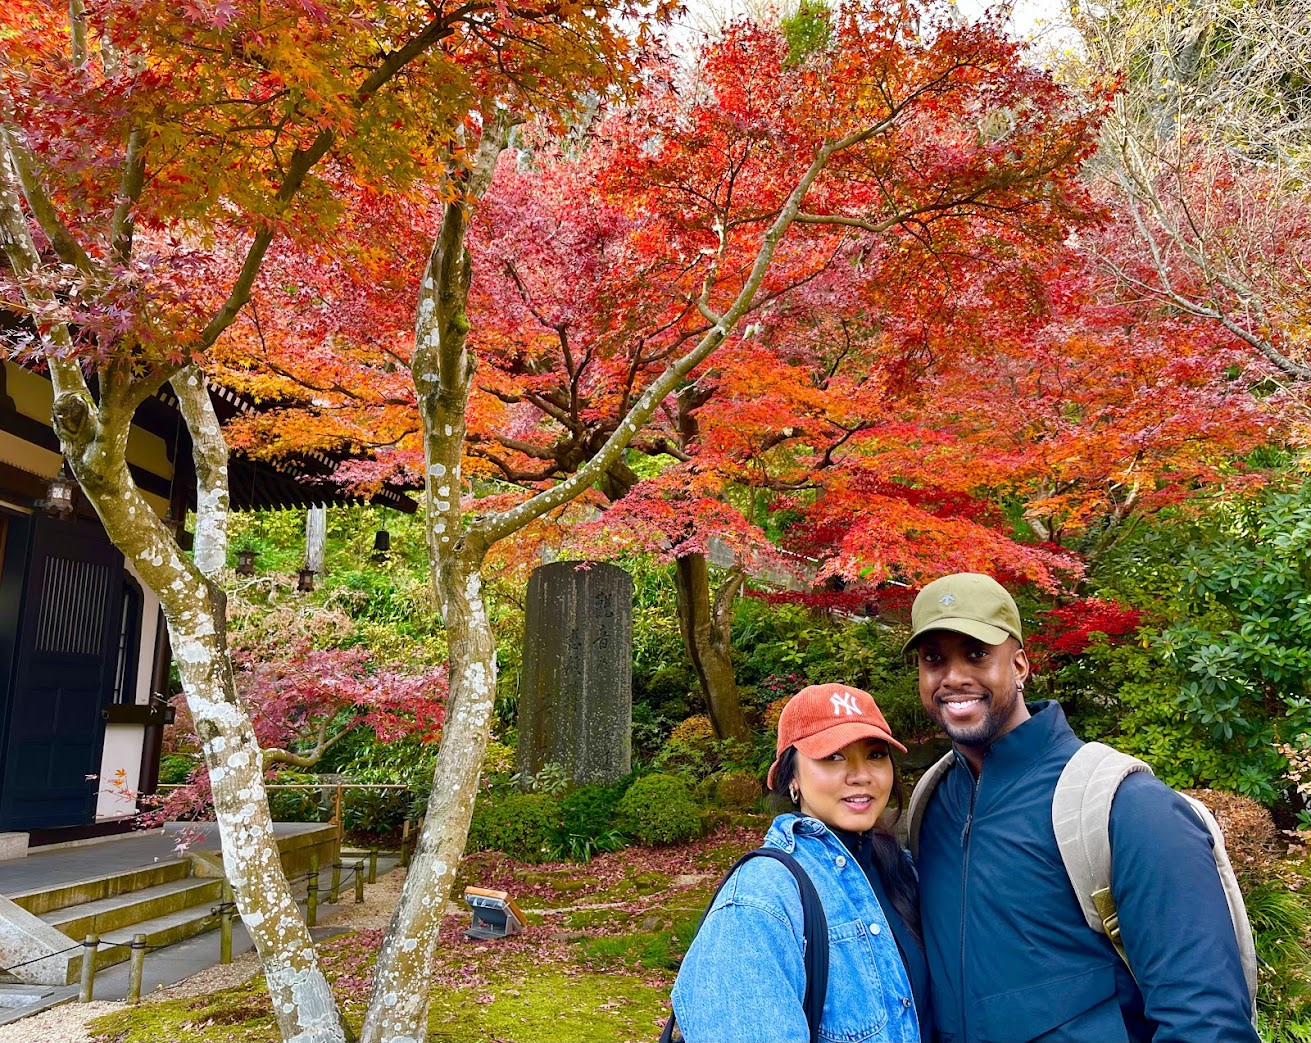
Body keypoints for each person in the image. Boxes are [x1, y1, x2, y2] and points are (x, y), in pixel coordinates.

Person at [905, 572, 1259, 1043]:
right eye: (934, 659)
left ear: (1021, 665)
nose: (953, 677)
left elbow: (1206, 1021)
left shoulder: (1125, 807)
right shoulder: (932, 805)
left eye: (976, 654)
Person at [671, 682, 929, 1043]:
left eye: (875, 754)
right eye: (833, 756)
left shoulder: (903, 872)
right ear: (792, 779)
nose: (861, 775)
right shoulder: (761, 899)